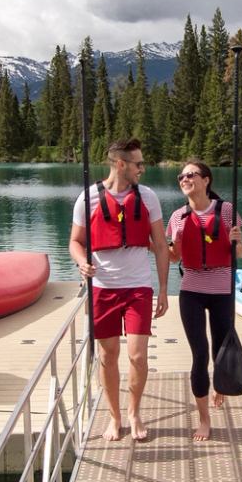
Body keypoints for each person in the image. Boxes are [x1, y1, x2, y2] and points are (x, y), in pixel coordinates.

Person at [69, 138, 169, 441]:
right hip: (103, 288)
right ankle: (114, 417)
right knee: (107, 354)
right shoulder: (88, 199)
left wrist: (163, 289)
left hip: (138, 287)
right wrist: (81, 262)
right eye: (138, 164)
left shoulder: (148, 197)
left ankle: (134, 412)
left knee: (138, 356)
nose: (143, 169)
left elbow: (162, 246)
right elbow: (75, 242)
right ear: (120, 164)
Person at [166, 161, 242, 442]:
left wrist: (237, 241)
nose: (185, 179)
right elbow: (174, 257)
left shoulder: (226, 211)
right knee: (199, 354)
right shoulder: (177, 216)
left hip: (222, 289)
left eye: (191, 175)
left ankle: (220, 385)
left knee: (220, 350)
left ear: (206, 180)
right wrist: (168, 246)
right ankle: (204, 419)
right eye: (182, 176)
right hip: (192, 290)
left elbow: (241, 253)